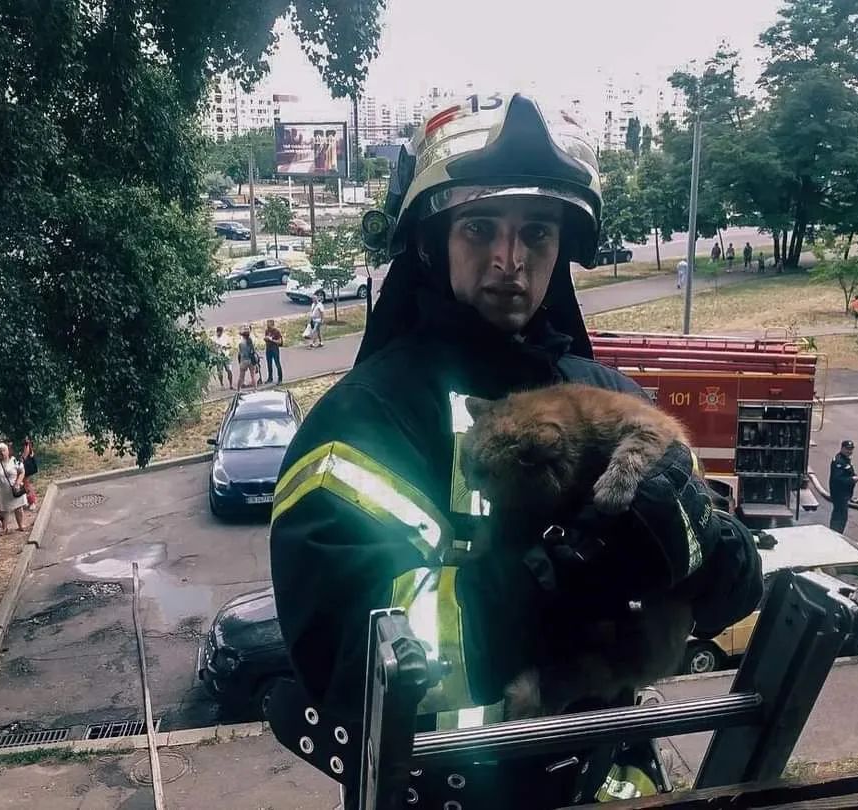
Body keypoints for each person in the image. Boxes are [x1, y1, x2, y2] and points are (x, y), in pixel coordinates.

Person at [266, 93, 764, 809]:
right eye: (479, 229)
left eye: (536, 233)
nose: (510, 259)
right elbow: (347, 656)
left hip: (613, 779)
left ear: (560, 252)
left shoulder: (605, 395)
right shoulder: (366, 424)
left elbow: (735, 590)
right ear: (432, 244)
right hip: (443, 793)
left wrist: (702, 542)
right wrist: (558, 577)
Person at [0, 442, 26, 533]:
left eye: (4, 450)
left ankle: (20, 525)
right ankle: (4, 528)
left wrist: (18, 483)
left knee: (18, 507)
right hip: (2, 491)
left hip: (15, 489)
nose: (2, 453)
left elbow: (22, 471)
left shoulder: (15, 460)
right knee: (4, 510)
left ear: (8, 451)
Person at [829, 439, 858, 534]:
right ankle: (835, 534)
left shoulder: (845, 459)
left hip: (844, 494)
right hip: (839, 494)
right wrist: (852, 480)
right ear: (842, 448)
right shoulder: (839, 461)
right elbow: (838, 479)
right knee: (840, 516)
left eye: (851, 449)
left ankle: (836, 534)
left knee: (841, 515)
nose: (849, 451)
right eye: (847, 449)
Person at [236, 324, 259, 390]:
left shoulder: (241, 343)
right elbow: (253, 351)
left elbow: (240, 353)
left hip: (244, 360)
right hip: (251, 360)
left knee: (241, 377)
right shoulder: (251, 342)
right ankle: (255, 389)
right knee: (253, 376)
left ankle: (238, 390)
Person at [264, 319, 284, 385]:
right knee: (269, 364)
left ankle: (280, 379)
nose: (267, 325)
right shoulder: (267, 331)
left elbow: (279, 342)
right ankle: (270, 378)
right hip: (268, 348)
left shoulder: (276, 331)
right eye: (267, 324)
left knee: (277, 363)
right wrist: (266, 339)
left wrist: (271, 339)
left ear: (272, 324)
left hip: (274, 349)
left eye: (268, 324)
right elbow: (266, 338)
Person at [20, 437, 38, 512]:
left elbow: (26, 450)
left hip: (24, 463)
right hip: (21, 462)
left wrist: (22, 460)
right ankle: (27, 501)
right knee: (23, 483)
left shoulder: (25, 440)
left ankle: (32, 501)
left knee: (26, 483)